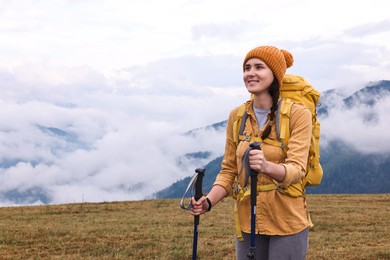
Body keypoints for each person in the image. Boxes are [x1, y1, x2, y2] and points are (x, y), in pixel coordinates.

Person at [190, 45, 312, 259]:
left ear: (275, 74)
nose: (250, 73)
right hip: (248, 222)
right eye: (247, 68)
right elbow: (229, 170)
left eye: (259, 67)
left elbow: (297, 169)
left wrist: (266, 166)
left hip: (287, 221)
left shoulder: (297, 114)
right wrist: (208, 201)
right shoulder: (237, 116)